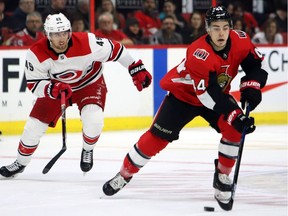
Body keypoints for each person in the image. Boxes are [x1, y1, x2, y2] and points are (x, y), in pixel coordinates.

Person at [102, 6, 268, 211]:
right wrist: (234, 113)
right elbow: (207, 95)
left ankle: (222, 176)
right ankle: (124, 174)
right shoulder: (198, 53)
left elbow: (254, 66)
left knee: (235, 130)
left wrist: (252, 86)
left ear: (231, 28)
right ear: (207, 29)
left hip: (216, 95)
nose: (221, 33)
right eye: (216, 28)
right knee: (155, 139)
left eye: (225, 27)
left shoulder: (241, 40)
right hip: (184, 97)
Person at [0, 13, 151, 178]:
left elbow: (117, 50)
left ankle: (87, 149)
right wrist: (52, 89)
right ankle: (20, 162)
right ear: (47, 35)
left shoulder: (88, 42)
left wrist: (135, 67)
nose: (62, 38)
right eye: (56, 34)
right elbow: (34, 84)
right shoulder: (36, 53)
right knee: (33, 126)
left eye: (64, 32)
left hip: (90, 83)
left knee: (93, 120)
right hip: (57, 89)